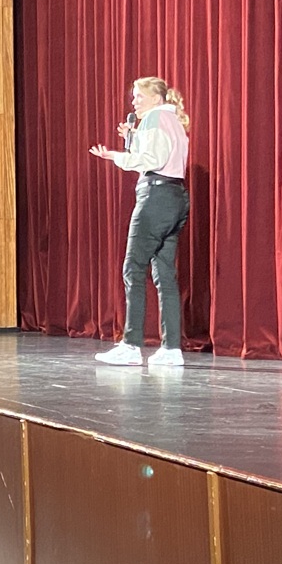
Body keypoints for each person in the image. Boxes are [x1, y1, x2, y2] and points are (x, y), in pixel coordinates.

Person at [89, 76, 193, 367]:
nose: (133, 101)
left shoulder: (154, 119)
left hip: (155, 197)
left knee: (133, 268)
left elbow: (153, 160)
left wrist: (117, 156)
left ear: (156, 98)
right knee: (164, 275)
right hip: (175, 198)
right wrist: (132, 138)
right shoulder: (173, 121)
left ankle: (131, 345)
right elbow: (161, 154)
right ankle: (171, 349)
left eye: (139, 96)